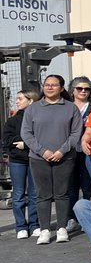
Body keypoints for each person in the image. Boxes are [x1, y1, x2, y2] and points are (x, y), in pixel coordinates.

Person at [21, 74, 82, 244]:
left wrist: (62, 151)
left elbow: (76, 133)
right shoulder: (33, 109)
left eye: (54, 85)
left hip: (65, 157)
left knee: (62, 194)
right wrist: (42, 151)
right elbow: (26, 133)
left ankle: (61, 228)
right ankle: (45, 230)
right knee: (43, 195)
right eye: (47, 84)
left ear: (61, 88)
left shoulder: (71, 108)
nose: (49, 87)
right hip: (38, 158)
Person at [3, 88, 40, 239]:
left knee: (34, 194)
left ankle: (34, 225)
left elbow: (41, 137)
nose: (17, 101)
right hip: (17, 161)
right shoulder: (12, 121)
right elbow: (7, 140)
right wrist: (22, 142)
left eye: (20, 98)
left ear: (31, 101)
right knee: (18, 194)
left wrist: (24, 143)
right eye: (17, 98)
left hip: (34, 159)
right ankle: (20, 226)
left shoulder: (38, 119)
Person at [66, 76, 91, 213]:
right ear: (72, 90)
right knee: (71, 186)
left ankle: (88, 215)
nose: (83, 91)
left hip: (89, 151)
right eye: (80, 88)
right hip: (68, 150)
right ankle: (71, 217)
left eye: (87, 89)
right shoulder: (64, 107)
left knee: (88, 186)